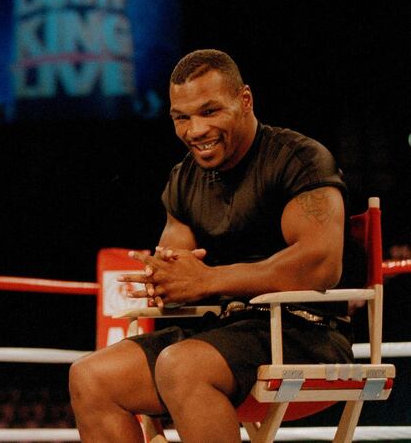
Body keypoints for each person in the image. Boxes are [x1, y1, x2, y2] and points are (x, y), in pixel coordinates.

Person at [69, 49, 355, 442]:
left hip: (307, 333)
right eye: (181, 118)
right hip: (223, 332)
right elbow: (177, 265)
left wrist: (208, 281)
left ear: (245, 101)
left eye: (209, 112)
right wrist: (163, 278)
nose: (195, 130)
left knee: (183, 366)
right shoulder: (184, 180)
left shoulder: (298, 160)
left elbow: (322, 265)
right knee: (90, 376)